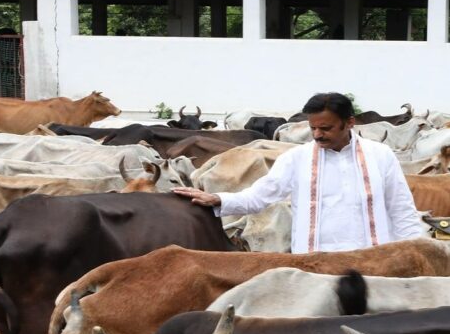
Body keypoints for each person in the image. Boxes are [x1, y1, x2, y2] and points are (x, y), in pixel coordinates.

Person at [173, 92, 425, 253]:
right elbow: (259, 196)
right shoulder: (297, 158)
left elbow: (401, 209)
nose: (317, 134)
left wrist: (418, 252)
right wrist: (218, 199)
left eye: (325, 128)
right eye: (313, 127)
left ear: (349, 123)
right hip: (314, 267)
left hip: (374, 262)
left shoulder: (380, 156)